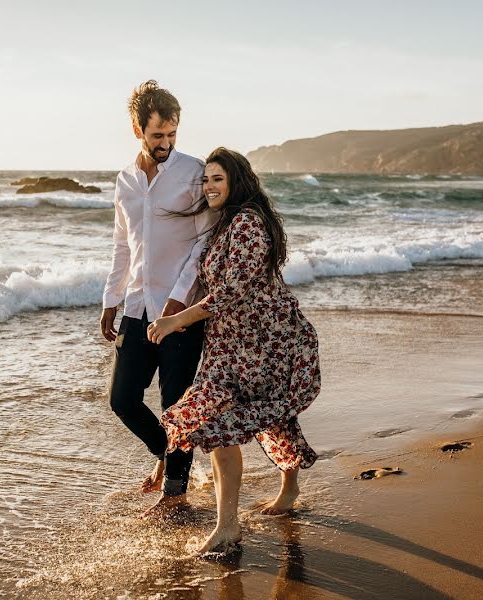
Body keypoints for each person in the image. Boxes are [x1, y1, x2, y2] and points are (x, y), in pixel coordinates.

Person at [146, 147, 321, 553]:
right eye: (206, 179)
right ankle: (278, 494)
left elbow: (230, 290)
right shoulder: (226, 223)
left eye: (217, 179)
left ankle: (229, 527)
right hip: (229, 344)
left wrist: (177, 320)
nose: (209, 186)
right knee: (256, 415)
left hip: (264, 341)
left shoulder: (247, 224)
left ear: (236, 181)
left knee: (234, 420)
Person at [101, 80, 214, 515]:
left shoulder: (192, 172)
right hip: (135, 305)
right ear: (137, 130)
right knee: (123, 399)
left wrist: (179, 301)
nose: (165, 143)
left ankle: (176, 494)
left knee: (175, 403)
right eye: (157, 136)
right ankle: (167, 458)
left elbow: (203, 243)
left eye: (171, 135)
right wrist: (111, 299)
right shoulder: (126, 180)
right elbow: (122, 245)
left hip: (181, 312)